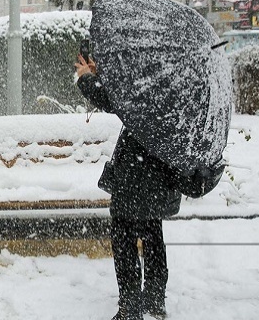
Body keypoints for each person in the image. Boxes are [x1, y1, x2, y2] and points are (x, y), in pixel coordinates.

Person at [75, 55, 181, 320]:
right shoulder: (175, 87)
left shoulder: (146, 84)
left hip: (134, 178)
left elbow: (111, 99)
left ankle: (130, 307)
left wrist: (87, 78)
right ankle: (155, 301)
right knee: (153, 238)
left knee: (124, 243)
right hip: (158, 178)